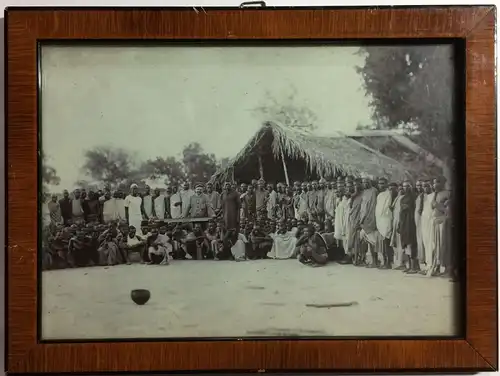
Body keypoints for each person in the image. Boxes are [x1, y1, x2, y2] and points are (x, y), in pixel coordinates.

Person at [430, 176, 451, 276]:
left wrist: (437, 205)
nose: (435, 185)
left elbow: (447, 210)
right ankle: (436, 267)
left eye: (437, 182)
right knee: (435, 246)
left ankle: (447, 269)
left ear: (442, 183)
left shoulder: (447, 194)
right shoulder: (435, 194)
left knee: (444, 246)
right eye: (434, 183)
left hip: (443, 224)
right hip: (435, 223)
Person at [398, 180, 419, 273]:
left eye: (407, 186)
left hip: (411, 223)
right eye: (404, 186)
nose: (405, 188)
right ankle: (409, 266)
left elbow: (408, 207)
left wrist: (405, 207)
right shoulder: (403, 198)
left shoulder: (414, 197)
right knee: (406, 244)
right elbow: (402, 209)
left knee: (411, 244)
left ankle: (414, 267)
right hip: (403, 223)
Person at [359, 177, 380, 267]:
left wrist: (370, 220)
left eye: (366, 182)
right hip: (364, 220)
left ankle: (375, 262)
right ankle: (370, 260)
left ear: (370, 182)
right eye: (363, 182)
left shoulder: (374, 191)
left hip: (370, 220)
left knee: (373, 242)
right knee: (367, 241)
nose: (365, 184)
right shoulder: (364, 192)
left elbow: (373, 207)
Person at [375, 178, 394, 269]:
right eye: (379, 183)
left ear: (386, 184)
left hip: (386, 221)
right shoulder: (379, 195)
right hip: (380, 221)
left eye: (382, 183)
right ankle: (384, 261)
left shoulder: (389, 194)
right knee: (382, 243)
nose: (380, 185)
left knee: (387, 242)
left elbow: (387, 209)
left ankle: (389, 262)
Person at [344, 179, 363, 265]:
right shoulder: (352, 196)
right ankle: (352, 257)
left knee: (357, 240)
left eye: (357, 185)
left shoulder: (363, 195)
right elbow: (351, 207)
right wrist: (352, 196)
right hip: (351, 220)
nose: (355, 187)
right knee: (351, 239)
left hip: (359, 221)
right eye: (354, 185)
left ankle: (357, 258)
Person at [420, 180, 435, 274]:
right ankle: (427, 265)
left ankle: (431, 266)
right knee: (425, 243)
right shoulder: (424, 196)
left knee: (431, 244)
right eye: (423, 186)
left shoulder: (434, 195)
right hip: (424, 222)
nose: (425, 188)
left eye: (427, 186)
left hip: (431, 222)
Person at [390, 184, 405, 269]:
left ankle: (402, 263)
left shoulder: (404, 198)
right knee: (396, 243)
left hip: (401, 223)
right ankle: (399, 263)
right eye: (399, 189)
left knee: (401, 244)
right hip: (395, 223)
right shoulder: (397, 198)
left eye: (402, 189)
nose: (401, 190)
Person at [414, 179, 425, 266]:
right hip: (417, 221)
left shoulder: (426, 196)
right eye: (417, 185)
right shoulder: (417, 196)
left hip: (424, 221)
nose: (419, 187)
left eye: (420, 185)